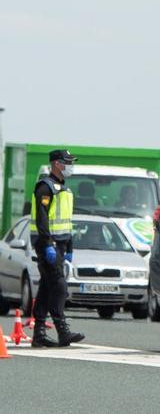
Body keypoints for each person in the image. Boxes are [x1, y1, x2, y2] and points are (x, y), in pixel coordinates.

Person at [30, 149, 85, 348]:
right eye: (67, 162)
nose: (70, 165)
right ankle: (63, 331)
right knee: (59, 285)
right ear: (56, 164)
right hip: (48, 244)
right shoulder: (45, 187)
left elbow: (66, 221)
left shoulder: (64, 189)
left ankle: (39, 334)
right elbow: (42, 219)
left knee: (46, 287)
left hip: (60, 243)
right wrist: (48, 244)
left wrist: (70, 245)